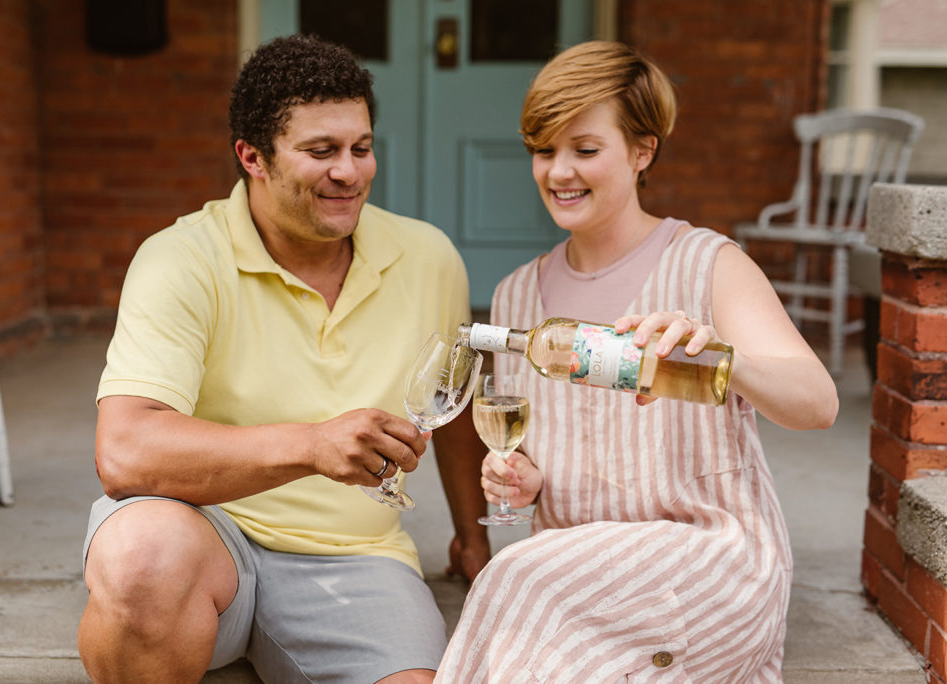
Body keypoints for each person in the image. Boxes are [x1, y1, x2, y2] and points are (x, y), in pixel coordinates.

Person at [77, 34, 490, 684]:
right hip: (208, 531)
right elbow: (125, 451)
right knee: (141, 560)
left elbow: (456, 408)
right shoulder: (181, 258)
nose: (349, 172)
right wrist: (311, 445)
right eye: (321, 151)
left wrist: (475, 535)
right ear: (253, 157)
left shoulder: (430, 257)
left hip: (360, 558)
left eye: (361, 148)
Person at [436, 41, 839, 682]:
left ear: (643, 151)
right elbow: (555, 456)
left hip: (711, 564)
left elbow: (817, 405)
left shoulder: (708, 264)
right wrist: (529, 483)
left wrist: (720, 356)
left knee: (511, 577)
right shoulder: (517, 295)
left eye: (585, 149)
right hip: (580, 575)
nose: (559, 172)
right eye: (544, 151)